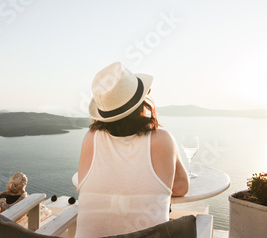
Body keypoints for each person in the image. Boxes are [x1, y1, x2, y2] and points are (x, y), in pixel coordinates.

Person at [75, 62, 189, 237]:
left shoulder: (91, 138)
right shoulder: (162, 139)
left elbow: (90, 187)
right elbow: (181, 187)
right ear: (141, 102)